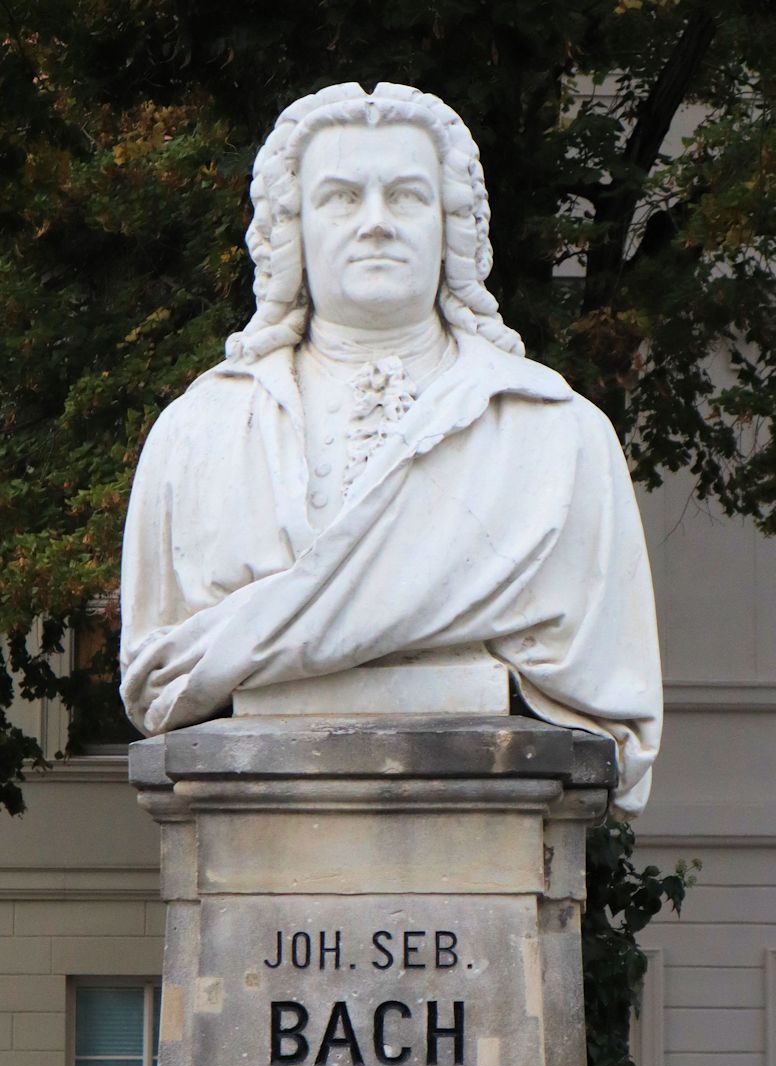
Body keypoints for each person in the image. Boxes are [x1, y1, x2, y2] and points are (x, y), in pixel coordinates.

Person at [119, 81, 662, 814]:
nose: (376, 223)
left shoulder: (560, 440)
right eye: (341, 198)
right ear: (295, 230)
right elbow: (156, 672)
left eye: (406, 197)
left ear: (451, 226)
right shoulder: (197, 437)